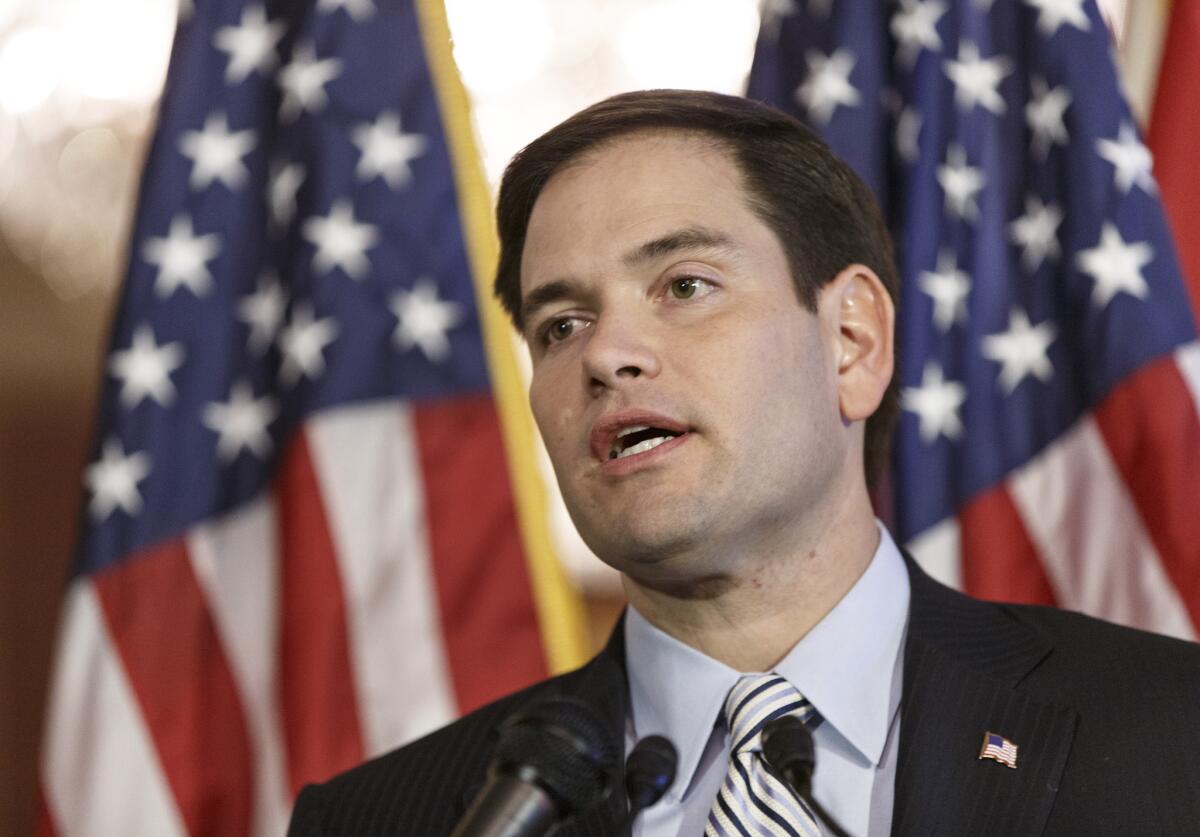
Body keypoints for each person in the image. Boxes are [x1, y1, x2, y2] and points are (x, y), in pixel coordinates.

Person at [287, 90, 1200, 836]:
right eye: (560, 325)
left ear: (851, 340)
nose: (607, 355)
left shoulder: (1172, 734)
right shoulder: (389, 819)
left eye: (685, 286)